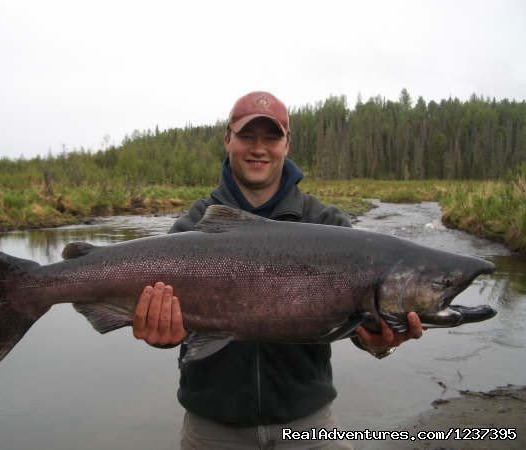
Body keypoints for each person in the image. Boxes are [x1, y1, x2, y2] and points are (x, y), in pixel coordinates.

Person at [132, 91, 423, 449]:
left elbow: (358, 324)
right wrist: (164, 335)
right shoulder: (195, 224)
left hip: (307, 423)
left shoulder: (326, 224)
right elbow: (171, 324)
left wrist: (379, 344)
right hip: (211, 426)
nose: (259, 148)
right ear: (228, 140)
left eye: (271, 137)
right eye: (246, 136)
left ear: (287, 144)